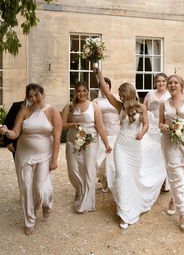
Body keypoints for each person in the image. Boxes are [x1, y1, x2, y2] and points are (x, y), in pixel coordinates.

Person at [94, 67, 166, 230]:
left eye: (123, 95)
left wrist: (141, 133)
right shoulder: (120, 107)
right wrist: (99, 74)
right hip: (121, 146)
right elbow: (106, 92)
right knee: (123, 175)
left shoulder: (142, 108)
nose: (120, 97)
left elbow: (146, 124)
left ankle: (134, 205)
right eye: (120, 95)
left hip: (134, 147)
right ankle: (124, 213)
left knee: (132, 177)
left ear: (129, 94)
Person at [0, 83, 62, 235]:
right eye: (30, 96)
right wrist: (6, 132)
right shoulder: (24, 111)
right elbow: (15, 133)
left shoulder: (53, 111)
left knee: (41, 189)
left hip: (44, 155)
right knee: (26, 188)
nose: (33, 99)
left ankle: (47, 204)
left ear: (43, 93)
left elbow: (58, 137)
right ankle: (29, 221)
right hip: (24, 154)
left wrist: (54, 160)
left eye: (36, 95)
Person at [61, 81, 111, 214]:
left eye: (84, 90)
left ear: (88, 91)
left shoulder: (94, 106)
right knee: (73, 169)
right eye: (79, 91)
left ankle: (86, 203)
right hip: (73, 140)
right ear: (75, 92)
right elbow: (61, 125)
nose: (81, 93)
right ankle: (80, 190)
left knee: (89, 169)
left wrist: (106, 144)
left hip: (90, 140)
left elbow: (100, 126)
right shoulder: (69, 107)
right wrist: (72, 124)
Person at [159, 75, 184, 231]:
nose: (172, 85)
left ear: (181, 85)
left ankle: (173, 199)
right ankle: (182, 213)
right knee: (175, 173)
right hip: (169, 143)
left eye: (175, 82)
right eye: (170, 83)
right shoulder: (164, 104)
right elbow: (160, 123)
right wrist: (165, 127)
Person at [143, 72, 171, 191]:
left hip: (163, 127)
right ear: (155, 83)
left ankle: (165, 181)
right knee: (150, 154)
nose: (161, 83)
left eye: (163, 81)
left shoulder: (169, 95)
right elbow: (143, 108)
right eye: (159, 81)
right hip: (150, 127)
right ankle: (152, 180)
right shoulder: (150, 94)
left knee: (163, 153)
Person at [93, 77, 120, 192]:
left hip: (117, 131)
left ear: (109, 86)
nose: (105, 87)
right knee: (101, 158)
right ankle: (104, 179)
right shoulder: (96, 101)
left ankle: (112, 180)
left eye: (107, 84)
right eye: (103, 85)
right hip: (103, 132)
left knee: (113, 158)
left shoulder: (117, 98)